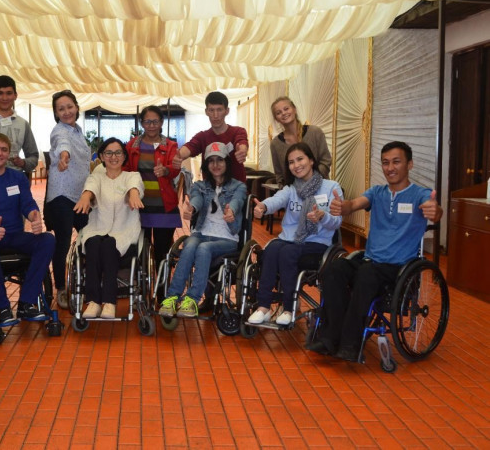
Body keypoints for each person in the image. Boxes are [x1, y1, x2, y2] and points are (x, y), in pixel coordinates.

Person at [308, 141, 443, 361]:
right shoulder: (377, 192)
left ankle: (350, 344)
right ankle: (329, 337)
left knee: (366, 275)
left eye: (396, 162)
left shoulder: (419, 194)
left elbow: (434, 209)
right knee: (333, 270)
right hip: (370, 260)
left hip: (397, 266)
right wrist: (343, 207)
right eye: (385, 163)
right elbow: (354, 204)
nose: (390, 168)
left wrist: (434, 210)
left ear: (409, 164)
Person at [247, 143, 343, 326]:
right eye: (291, 162)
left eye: (300, 159)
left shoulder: (331, 187)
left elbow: (337, 222)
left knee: (287, 252)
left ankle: (289, 308)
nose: (296, 165)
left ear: (311, 160)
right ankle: (263, 307)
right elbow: (277, 200)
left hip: (318, 241)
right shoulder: (291, 189)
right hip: (289, 239)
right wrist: (264, 207)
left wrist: (322, 216)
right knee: (270, 250)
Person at [0, 133, 56, 325]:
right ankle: (3, 307)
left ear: (9, 154)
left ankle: (26, 302)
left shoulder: (17, 177)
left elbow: (28, 203)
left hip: (14, 235)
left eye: (3, 150)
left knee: (48, 240)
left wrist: (35, 217)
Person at [158, 143, 247, 318]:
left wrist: (231, 210)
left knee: (204, 248)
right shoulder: (199, 185)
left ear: (227, 162)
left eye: (220, 160)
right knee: (190, 244)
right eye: (211, 161)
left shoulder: (239, 186)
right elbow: (197, 198)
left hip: (227, 238)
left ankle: (192, 299)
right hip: (202, 233)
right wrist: (192, 208)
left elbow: (237, 200)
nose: (215, 164)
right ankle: (172, 297)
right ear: (206, 165)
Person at [74, 138, 144, 319]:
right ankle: (93, 302)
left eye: (118, 152)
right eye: (109, 153)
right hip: (98, 228)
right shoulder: (96, 177)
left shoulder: (132, 176)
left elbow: (134, 188)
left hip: (124, 230)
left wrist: (133, 195)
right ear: (102, 156)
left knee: (109, 245)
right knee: (93, 243)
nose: (114, 157)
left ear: (124, 156)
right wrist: (85, 197)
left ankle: (109, 302)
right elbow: (90, 189)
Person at [44, 90, 91, 308]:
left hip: (80, 196)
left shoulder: (79, 131)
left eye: (69, 107)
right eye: (61, 109)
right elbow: (63, 144)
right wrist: (64, 156)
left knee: (88, 237)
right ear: (56, 113)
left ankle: (84, 281)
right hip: (61, 195)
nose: (66, 112)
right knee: (63, 242)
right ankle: (61, 289)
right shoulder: (59, 131)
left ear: (77, 107)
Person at [124, 106, 181, 269]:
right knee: (141, 251)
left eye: (155, 121)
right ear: (142, 123)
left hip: (164, 206)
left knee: (162, 253)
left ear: (161, 122)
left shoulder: (170, 145)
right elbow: (125, 170)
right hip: (139, 206)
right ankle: (144, 284)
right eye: (147, 122)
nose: (151, 126)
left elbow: (175, 168)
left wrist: (166, 170)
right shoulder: (132, 146)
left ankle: (162, 284)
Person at [172, 91, 249, 183]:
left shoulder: (237, 131)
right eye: (211, 110)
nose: (215, 115)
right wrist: (179, 156)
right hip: (210, 190)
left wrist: (242, 151)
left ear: (227, 111)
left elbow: (242, 142)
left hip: (236, 190)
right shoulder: (202, 137)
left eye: (219, 110)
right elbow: (190, 146)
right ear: (206, 111)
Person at [269, 96, 332, 188]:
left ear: (294, 109)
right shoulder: (275, 144)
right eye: (278, 113)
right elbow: (279, 175)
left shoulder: (315, 132)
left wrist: (310, 181)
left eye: (286, 109)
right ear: (276, 119)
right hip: (293, 192)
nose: (283, 113)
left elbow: (326, 161)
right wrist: (287, 190)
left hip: (321, 187)